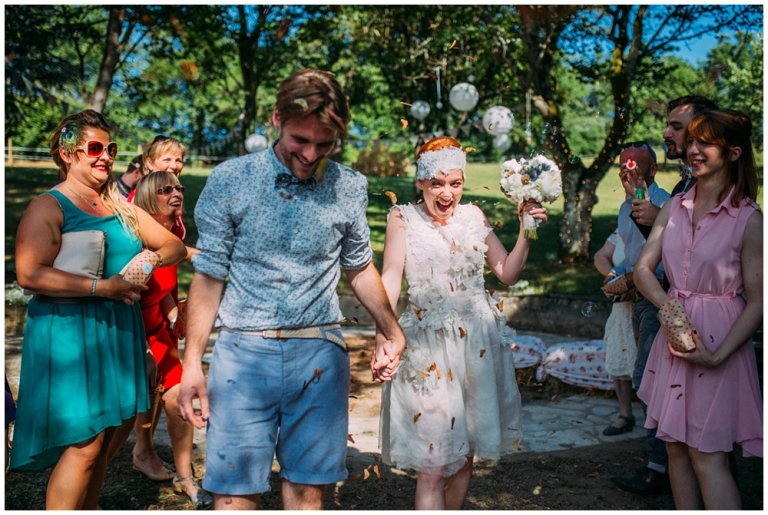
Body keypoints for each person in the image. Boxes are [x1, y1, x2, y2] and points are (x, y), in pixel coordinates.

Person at [177, 68, 406, 510]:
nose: (311, 154)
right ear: (277, 118)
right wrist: (192, 365)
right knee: (232, 497)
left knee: (306, 494)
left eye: (325, 144)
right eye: (302, 139)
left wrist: (390, 329)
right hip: (243, 358)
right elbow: (209, 275)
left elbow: (359, 266)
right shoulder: (230, 179)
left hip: (319, 355)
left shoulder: (350, 186)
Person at [9, 109, 186, 509]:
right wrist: (100, 286)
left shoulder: (119, 207)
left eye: (110, 148)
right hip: (70, 333)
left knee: (107, 438)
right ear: (67, 153)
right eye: (94, 147)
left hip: (118, 330)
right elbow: (29, 273)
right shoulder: (49, 207)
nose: (105, 155)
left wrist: (146, 261)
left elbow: (172, 246)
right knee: (85, 445)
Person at [378, 136, 548, 510]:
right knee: (434, 462)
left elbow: (506, 272)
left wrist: (526, 229)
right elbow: (390, 279)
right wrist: (384, 335)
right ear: (421, 182)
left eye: (455, 183)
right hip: (428, 348)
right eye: (437, 183)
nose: (446, 194)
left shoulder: (474, 216)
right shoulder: (402, 218)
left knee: (465, 452)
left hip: (477, 346)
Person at [634, 108, 762, 509]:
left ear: (734, 152)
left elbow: (760, 301)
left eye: (704, 142)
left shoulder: (749, 219)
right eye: (691, 141)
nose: (692, 149)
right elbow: (642, 269)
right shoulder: (675, 206)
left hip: (719, 340)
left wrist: (718, 355)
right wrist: (668, 310)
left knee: (708, 456)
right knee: (674, 449)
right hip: (676, 335)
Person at [131, 172, 210, 507]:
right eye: (166, 189)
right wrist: (143, 346)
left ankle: (185, 477)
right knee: (125, 416)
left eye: (179, 187)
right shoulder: (134, 238)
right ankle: (90, 486)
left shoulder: (175, 230)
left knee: (178, 399)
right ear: (149, 196)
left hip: (158, 328)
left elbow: (162, 283)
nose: (177, 192)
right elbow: (126, 293)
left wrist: (173, 313)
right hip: (131, 330)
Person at [607, 142, 671, 494]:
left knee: (649, 377)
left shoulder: (663, 206)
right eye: (622, 167)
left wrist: (635, 280)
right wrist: (617, 276)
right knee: (646, 376)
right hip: (636, 300)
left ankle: (657, 467)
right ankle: (660, 460)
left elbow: (667, 259)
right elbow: (629, 253)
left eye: (634, 167)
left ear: (652, 171)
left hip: (658, 301)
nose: (627, 172)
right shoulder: (621, 208)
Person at [593, 230, 636, 436]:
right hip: (621, 306)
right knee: (619, 355)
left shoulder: (657, 224)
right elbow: (600, 256)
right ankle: (625, 414)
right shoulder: (621, 227)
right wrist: (613, 277)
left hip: (646, 302)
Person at [125, 136, 187, 202]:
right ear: (150, 163)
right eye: (167, 160)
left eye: (178, 161)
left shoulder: (174, 194)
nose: (174, 166)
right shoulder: (142, 197)